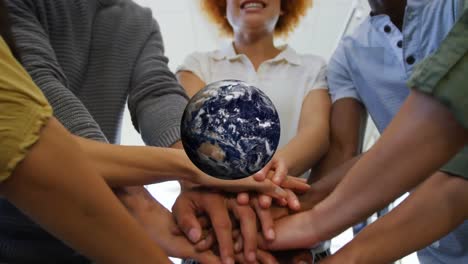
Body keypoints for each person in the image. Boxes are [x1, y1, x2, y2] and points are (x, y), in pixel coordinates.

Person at [1, 0, 308, 262]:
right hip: (16, 229)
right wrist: (139, 200)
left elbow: (157, 93)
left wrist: (204, 175)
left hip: (100, 228)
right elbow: (34, 99)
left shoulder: (137, 20)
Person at [256, 0, 468, 263]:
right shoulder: (349, 54)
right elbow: (344, 150)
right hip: (440, 249)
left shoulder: (454, 7)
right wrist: (303, 208)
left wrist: (315, 220)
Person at [174, 0, 331, 262]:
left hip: (289, 234)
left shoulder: (312, 68)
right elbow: (194, 137)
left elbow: (316, 133)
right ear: (223, 6)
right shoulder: (197, 65)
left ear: (285, 6)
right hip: (214, 234)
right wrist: (260, 183)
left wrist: (265, 176)